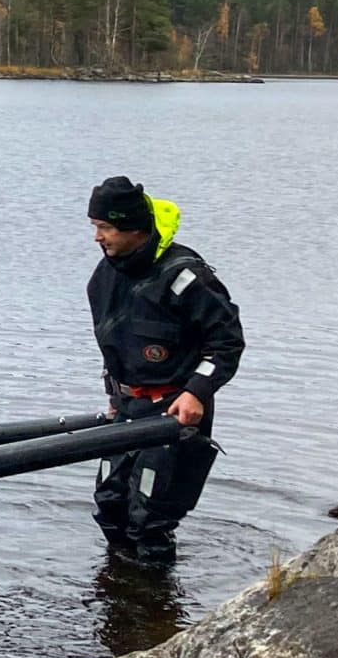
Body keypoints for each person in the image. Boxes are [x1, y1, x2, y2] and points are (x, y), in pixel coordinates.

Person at [86, 175, 243, 561]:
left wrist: (196, 392)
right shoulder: (104, 277)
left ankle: (159, 606)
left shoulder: (186, 278)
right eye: (95, 227)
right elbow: (116, 344)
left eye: (104, 227)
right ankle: (121, 600)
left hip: (174, 411)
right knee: (110, 505)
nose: (97, 237)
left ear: (134, 228)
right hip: (127, 408)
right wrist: (114, 396)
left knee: (149, 517)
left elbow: (227, 342)